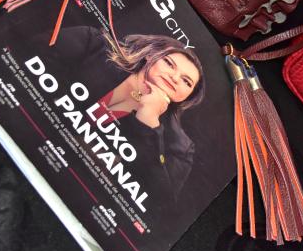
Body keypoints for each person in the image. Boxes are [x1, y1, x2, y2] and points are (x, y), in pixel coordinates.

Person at [29, 25, 206, 223]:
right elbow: (26, 54)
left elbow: (158, 206)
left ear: (188, 96)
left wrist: (149, 123)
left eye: (186, 81)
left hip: (72, 199)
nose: (174, 78)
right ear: (151, 55)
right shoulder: (93, 43)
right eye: (169, 63)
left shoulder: (180, 147)